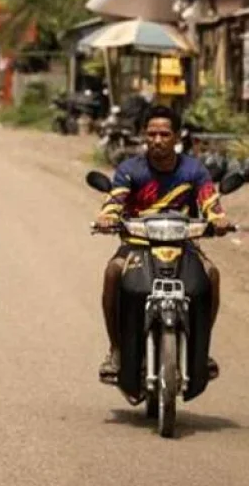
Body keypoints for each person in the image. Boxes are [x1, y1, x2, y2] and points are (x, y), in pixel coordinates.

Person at [95, 105, 231, 380]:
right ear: (144, 135)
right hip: (137, 245)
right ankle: (116, 350)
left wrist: (218, 219)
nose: (157, 140)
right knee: (112, 273)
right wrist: (107, 217)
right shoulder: (130, 169)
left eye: (165, 134)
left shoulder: (194, 170)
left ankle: (201, 349)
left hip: (184, 246)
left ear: (177, 137)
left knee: (212, 275)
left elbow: (209, 200)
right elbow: (115, 199)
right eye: (152, 134)